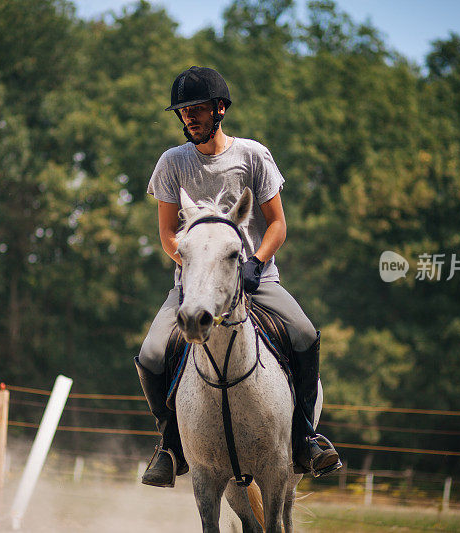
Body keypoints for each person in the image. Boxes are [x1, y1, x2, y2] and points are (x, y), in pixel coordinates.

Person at [135, 66, 342, 488]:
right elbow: (166, 234)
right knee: (153, 354)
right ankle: (170, 445)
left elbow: (278, 225)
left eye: (196, 109)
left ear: (220, 109)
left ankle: (305, 436)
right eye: (183, 112)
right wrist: (196, 270)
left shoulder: (252, 155)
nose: (188, 117)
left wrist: (255, 264)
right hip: (191, 286)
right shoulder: (172, 163)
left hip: (255, 280)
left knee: (305, 333)